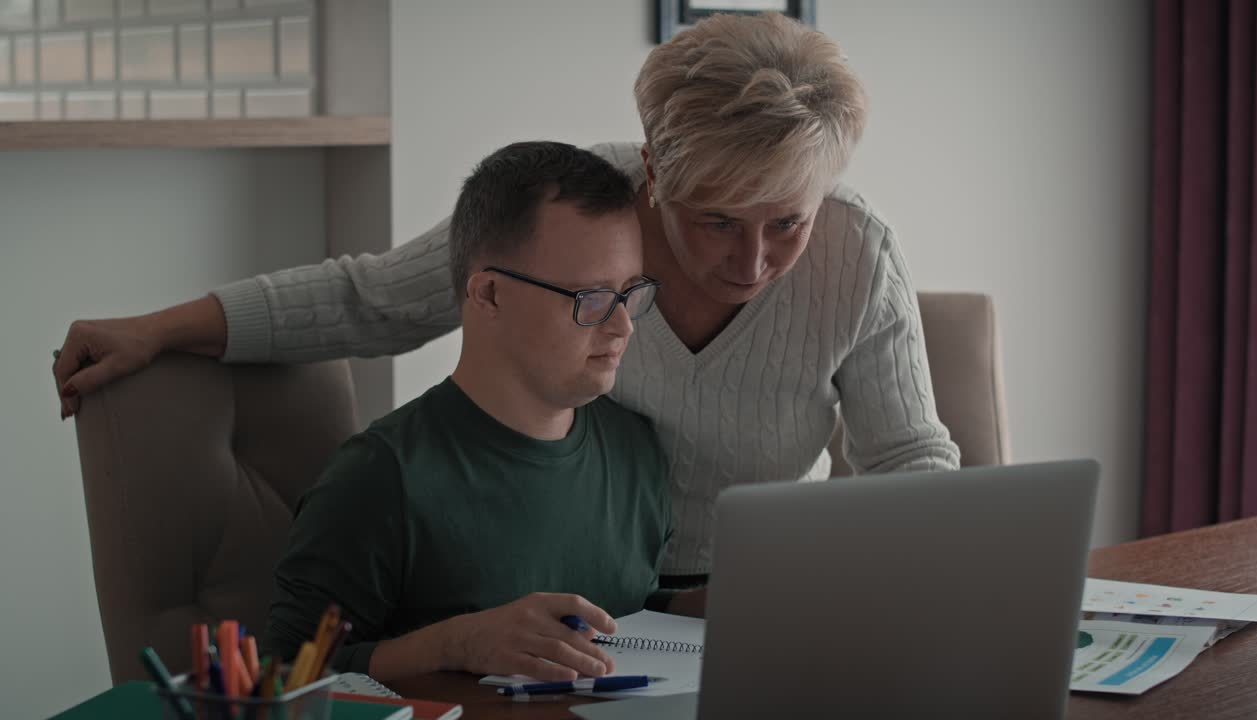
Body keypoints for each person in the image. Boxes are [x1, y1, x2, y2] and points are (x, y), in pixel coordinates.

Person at [53, 13, 960, 588]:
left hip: (762, 603)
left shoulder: (858, 249)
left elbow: (909, 454)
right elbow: (372, 299)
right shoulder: (577, 207)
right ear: (653, 174)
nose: (753, 260)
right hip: (578, 595)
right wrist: (160, 327)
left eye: (786, 224)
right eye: (717, 221)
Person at [268, 141, 698, 683]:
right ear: (490, 294)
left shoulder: (636, 449)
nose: (623, 326)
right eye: (591, 298)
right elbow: (281, 676)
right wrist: (456, 643)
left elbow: (624, 615)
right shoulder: (379, 478)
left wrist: (713, 607)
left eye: (631, 293)